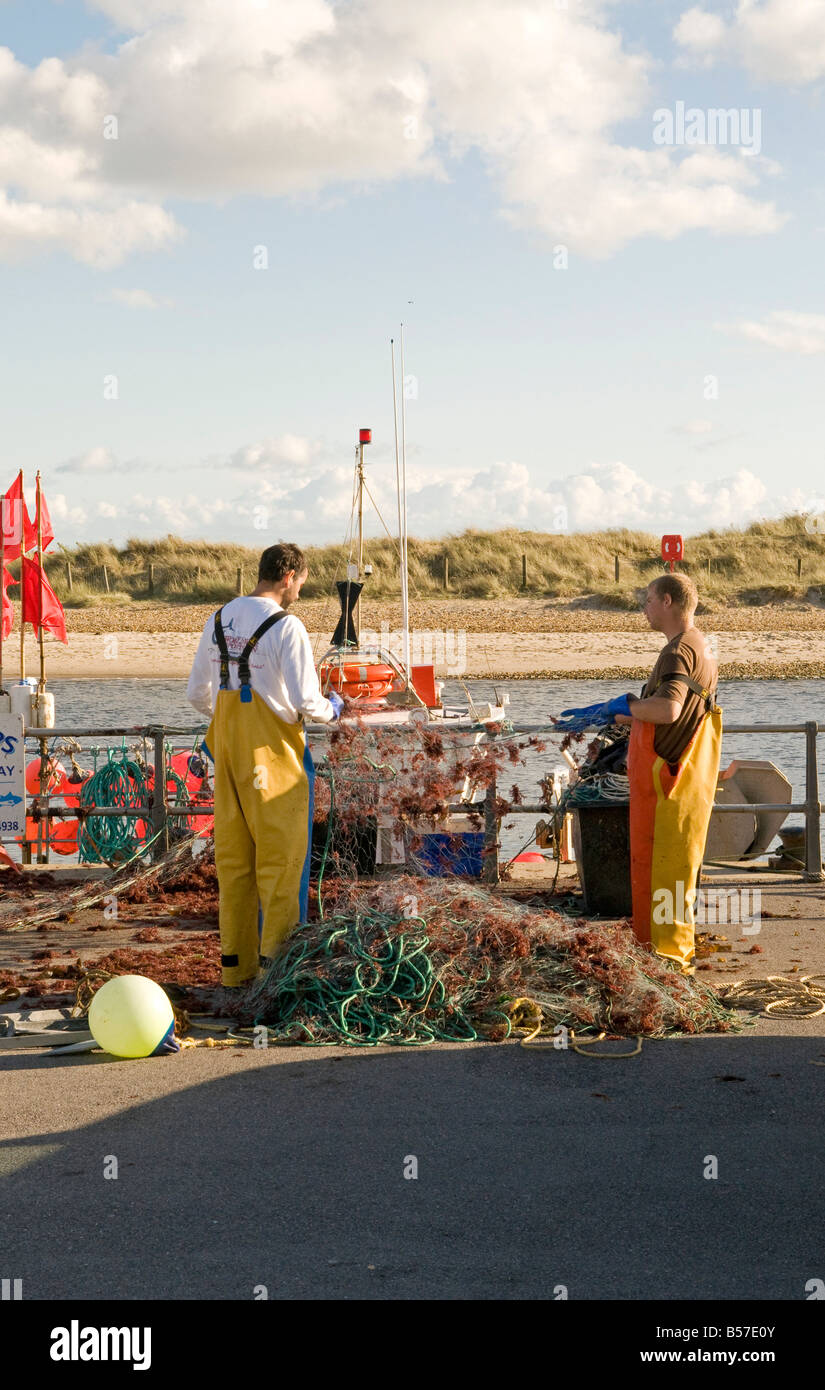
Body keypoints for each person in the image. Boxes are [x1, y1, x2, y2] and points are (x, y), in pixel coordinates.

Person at [186, 542, 343, 990]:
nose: (298, 593)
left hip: (228, 758)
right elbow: (305, 701)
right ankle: (279, 974)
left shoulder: (217, 619)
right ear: (289, 576)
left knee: (234, 865)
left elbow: (199, 696)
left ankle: (236, 971)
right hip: (274, 764)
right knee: (281, 864)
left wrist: (233, 716)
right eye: (300, 584)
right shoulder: (286, 626)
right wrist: (335, 709)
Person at [556, 573, 720, 972]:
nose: (644, 608)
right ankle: (664, 952)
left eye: (648, 600)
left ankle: (667, 961)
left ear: (667, 601)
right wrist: (624, 713)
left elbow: (668, 711)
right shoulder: (702, 646)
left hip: (668, 786)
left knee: (662, 875)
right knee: (672, 876)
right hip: (684, 783)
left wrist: (619, 709)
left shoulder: (677, 652)